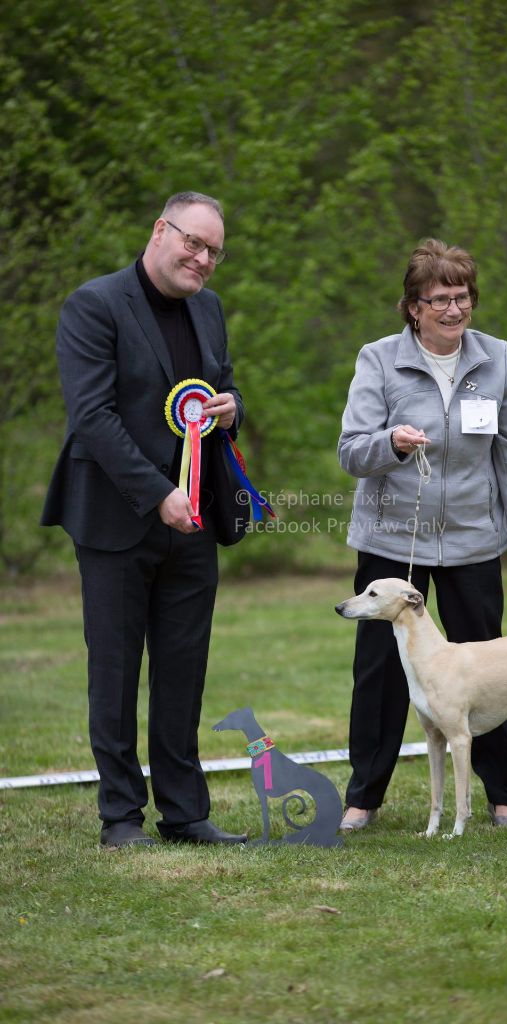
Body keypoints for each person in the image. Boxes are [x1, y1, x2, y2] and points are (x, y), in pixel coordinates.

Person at [42, 191, 248, 847]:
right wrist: (157, 494)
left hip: (195, 520)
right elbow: (93, 418)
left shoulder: (209, 310)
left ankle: (185, 813)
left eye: (213, 251)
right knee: (115, 670)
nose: (203, 259)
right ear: (161, 231)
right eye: (194, 242)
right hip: (116, 520)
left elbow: (224, 386)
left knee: (184, 670)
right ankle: (121, 816)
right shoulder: (94, 305)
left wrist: (230, 409)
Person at [337, 239, 507, 832]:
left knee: (488, 669)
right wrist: (392, 444)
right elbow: (352, 452)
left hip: (472, 541)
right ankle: (364, 797)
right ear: (413, 306)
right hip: (392, 542)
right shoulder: (378, 360)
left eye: (462, 298)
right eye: (440, 300)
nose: (454, 310)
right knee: (380, 673)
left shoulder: (496, 358)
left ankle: (502, 794)